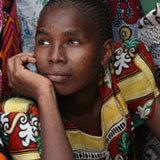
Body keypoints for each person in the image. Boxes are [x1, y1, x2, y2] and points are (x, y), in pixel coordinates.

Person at [1, 0, 160, 159]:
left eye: (72, 42)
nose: (55, 57)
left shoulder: (122, 69)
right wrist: (44, 95)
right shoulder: (20, 117)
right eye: (44, 42)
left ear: (105, 53)